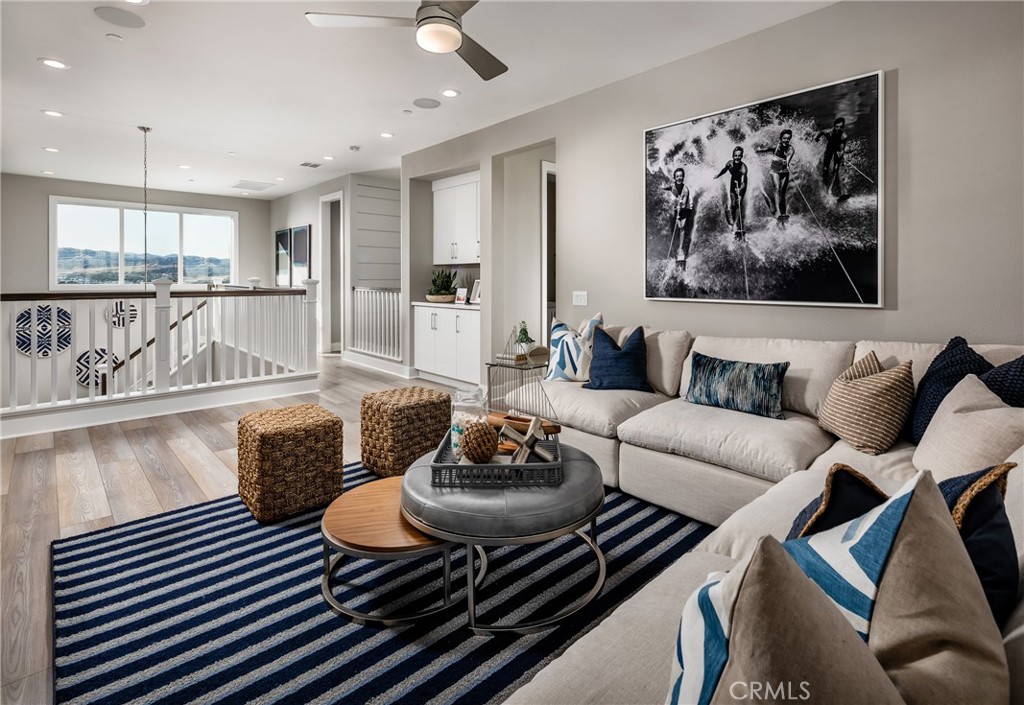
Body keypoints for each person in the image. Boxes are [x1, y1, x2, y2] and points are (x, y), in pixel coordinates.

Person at [757, 129, 794, 220]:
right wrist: (757, 150)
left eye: (788, 139)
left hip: (785, 171)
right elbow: (766, 149)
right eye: (784, 138)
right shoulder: (776, 146)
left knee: (782, 193)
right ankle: (778, 212)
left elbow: (789, 157)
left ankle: (783, 212)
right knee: (777, 188)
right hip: (775, 170)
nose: (786, 140)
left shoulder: (791, 149)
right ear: (781, 139)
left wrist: (787, 163)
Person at [714, 146, 748, 238]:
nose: (737, 157)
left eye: (739, 156)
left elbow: (743, 182)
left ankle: (738, 224)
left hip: (742, 185)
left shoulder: (743, 168)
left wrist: (740, 190)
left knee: (739, 203)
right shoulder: (730, 164)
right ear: (733, 156)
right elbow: (725, 170)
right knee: (733, 204)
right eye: (736, 156)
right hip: (733, 182)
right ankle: (733, 223)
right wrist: (718, 175)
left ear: (741, 156)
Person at [663, 168, 693, 265]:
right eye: (677, 176)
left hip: (685, 208)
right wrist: (663, 188)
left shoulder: (685, 190)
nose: (679, 178)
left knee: (682, 227)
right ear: (674, 178)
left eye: (681, 176)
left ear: (683, 177)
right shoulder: (673, 186)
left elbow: (683, 204)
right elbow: (668, 188)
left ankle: (680, 249)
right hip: (678, 207)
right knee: (676, 226)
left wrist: (680, 203)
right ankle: (675, 246)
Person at [816, 117, 849, 198]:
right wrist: (817, 138)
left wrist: (840, 154)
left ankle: (839, 192)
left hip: (837, 151)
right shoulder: (828, 132)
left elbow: (842, 148)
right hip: (829, 150)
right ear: (834, 126)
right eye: (837, 126)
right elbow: (821, 132)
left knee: (836, 169)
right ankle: (824, 187)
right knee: (825, 169)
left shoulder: (844, 136)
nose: (839, 129)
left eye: (841, 127)